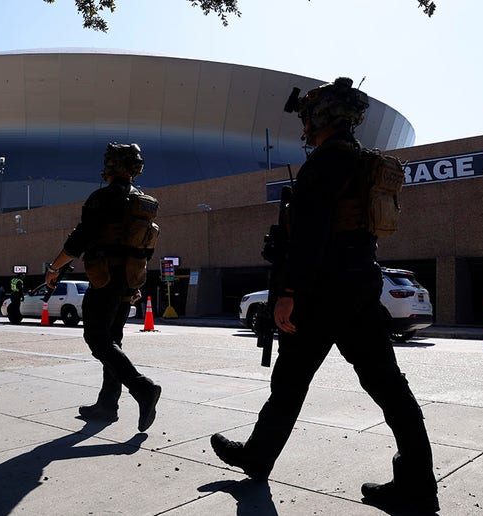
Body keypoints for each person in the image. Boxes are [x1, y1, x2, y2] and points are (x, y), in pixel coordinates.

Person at [210, 78, 439, 513]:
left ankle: (257, 457)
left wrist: (288, 292)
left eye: (309, 119)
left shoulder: (325, 163)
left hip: (318, 293)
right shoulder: (363, 162)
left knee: (291, 382)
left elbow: (311, 235)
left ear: (324, 118)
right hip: (359, 286)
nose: (306, 128)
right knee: (390, 388)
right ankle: (418, 483)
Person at [45, 142, 161, 433]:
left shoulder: (103, 198)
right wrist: (134, 283)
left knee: (97, 338)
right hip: (128, 279)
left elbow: (78, 241)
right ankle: (107, 404)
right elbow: (144, 247)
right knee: (113, 341)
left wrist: (54, 268)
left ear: (112, 166)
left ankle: (142, 388)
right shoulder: (141, 201)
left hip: (106, 279)